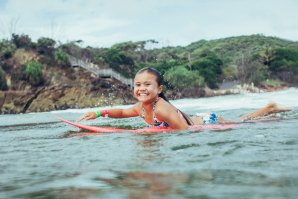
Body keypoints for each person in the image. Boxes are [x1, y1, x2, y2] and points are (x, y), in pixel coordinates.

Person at [78, 67, 291, 130]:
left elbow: (183, 130)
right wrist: (98, 113)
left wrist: (151, 135)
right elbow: (122, 112)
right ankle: (269, 108)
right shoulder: (141, 107)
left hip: (208, 121)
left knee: (244, 124)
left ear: (159, 89)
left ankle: (269, 111)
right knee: (243, 120)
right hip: (198, 119)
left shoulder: (161, 108)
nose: (141, 89)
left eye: (147, 85)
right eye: (137, 85)